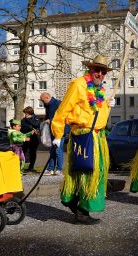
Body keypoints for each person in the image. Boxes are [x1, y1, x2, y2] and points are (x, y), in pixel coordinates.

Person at [51, 54, 116, 224]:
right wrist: (57, 135)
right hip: (82, 136)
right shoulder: (78, 85)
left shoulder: (99, 90)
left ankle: (72, 201)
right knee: (88, 171)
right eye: (97, 70)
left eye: (103, 72)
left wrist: (107, 107)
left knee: (84, 172)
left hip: (96, 136)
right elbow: (62, 110)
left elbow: (96, 116)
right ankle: (81, 210)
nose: (100, 74)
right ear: (90, 69)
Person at [40, 92, 66, 176]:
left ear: (47, 97)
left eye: (43, 100)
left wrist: (50, 120)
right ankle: (50, 169)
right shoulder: (47, 106)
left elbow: (63, 116)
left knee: (58, 150)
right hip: (52, 130)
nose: (42, 102)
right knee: (52, 150)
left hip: (60, 131)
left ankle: (59, 169)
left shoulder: (58, 103)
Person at [21, 106, 40, 172]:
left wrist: (28, 120)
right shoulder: (23, 120)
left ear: (30, 113)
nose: (25, 115)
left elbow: (36, 124)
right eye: (25, 114)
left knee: (33, 153)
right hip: (26, 138)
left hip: (34, 139)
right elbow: (22, 127)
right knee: (23, 152)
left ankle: (31, 167)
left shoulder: (36, 119)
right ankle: (21, 166)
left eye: (26, 114)